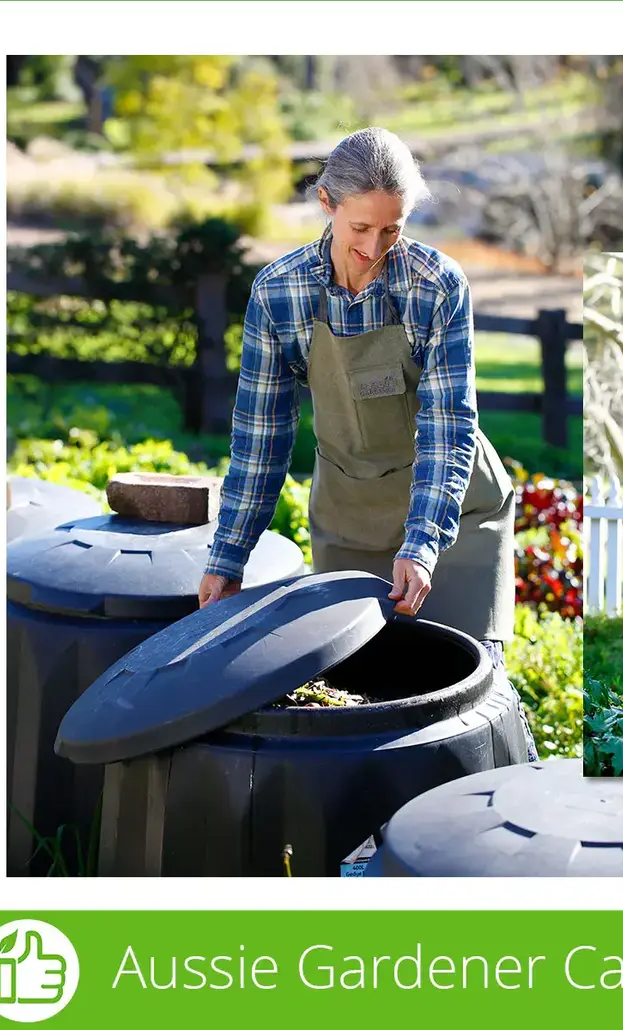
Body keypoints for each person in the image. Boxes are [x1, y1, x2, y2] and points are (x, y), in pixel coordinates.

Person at [196, 126, 537, 762]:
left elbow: (447, 423)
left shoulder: (437, 284)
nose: (375, 248)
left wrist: (423, 542)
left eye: (392, 229)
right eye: (360, 229)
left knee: (470, 701)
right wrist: (228, 555)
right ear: (326, 204)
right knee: (357, 697)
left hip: (454, 515)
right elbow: (260, 440)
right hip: (349, 520)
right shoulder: (279, 293)